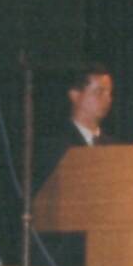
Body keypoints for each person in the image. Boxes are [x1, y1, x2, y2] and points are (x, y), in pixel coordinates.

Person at [32, 62, 116, 193]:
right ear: (75, 95)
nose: (108, 99)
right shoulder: (55, 145)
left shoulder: (115, 148)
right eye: (99, 92)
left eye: (109, 93)